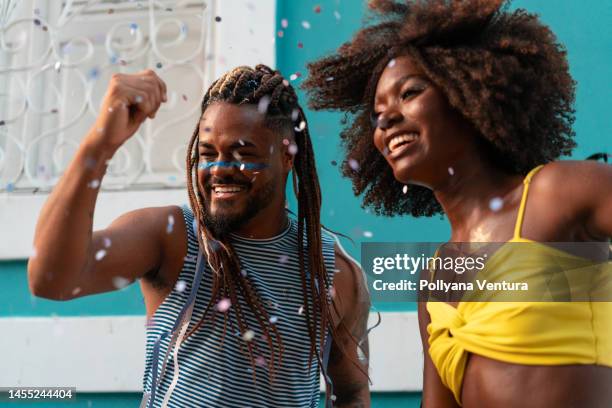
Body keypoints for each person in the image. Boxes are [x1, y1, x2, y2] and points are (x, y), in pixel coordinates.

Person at [303, 1, 612, 407]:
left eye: (409, 93)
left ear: (467, 94)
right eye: (377, 115)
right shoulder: (435, 279)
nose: (387, 120)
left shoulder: (557, 194)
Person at [28, 64, 371, 407]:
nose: (219, 168)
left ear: (286, 155)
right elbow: (50, 279)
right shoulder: (173, 238)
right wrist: (100, 143)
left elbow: (351, 392)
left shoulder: (333, 271)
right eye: (208, 154)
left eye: (242, 153)